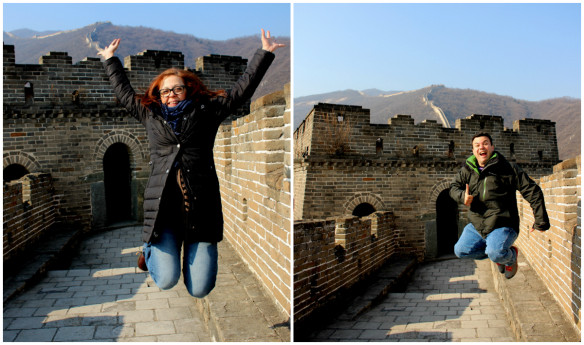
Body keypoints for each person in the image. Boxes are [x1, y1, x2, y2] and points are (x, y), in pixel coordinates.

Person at [97, 29, 284, 297]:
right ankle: (149, 251)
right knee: (166, 279)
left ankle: (194, 261)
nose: (171, 94)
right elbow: (125, 94)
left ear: (188, 89)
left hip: (201, 212)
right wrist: (109, 60)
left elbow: (240, 93)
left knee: (200, 289)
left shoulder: (207, 112)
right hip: (164, 216)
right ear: (158, 95)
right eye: (165, 91)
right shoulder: (150, 115)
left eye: (177, 89)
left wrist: (264, 53)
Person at [449, 132, 549, 279]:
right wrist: (462, 196)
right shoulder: (467, 170)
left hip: (502, 223)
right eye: (477, 145)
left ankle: (509, 257)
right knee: (461, 251)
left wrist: (540, 220)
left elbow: (532, 191)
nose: (481, 147)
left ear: (492, 147)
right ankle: (499, 255)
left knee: (495, 252)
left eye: (485, 143)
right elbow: (453, 188)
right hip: (477, 223)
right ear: (473, 150)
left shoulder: (508, 169)